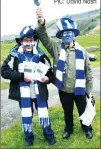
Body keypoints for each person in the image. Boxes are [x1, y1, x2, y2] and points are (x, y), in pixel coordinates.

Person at [36, 7, 93, 139]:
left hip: (80, 89)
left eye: (70, 32)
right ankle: (68, 129)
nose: (67, 35)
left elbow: (89, 71)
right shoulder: (55, 47)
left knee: (83, 110)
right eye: (64, 32)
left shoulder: (82, 51)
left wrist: (89, 91)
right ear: (60, 35)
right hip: (64, 89)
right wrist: (42, 22)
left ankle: (87, 128)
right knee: (67, 112)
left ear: (74, 34)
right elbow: (43, 37)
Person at [1, 25, 56, 146]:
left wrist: (47, 78)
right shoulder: (14, 56)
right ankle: (29, 138)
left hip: (39, 92)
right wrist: (22, 77)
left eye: (31, 40)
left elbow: (50, 73)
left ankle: (49, 136)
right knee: (27, 115)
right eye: (26, 40)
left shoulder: (41, 56)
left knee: (44, 114)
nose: (28, 43)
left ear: (34, 41)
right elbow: (4, 71)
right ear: (21, 41)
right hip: (23, 93)